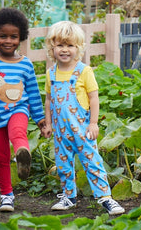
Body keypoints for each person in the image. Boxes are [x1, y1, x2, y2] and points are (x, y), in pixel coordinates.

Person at [42, 21, 125, 216]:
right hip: (61, 132)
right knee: (63, 165)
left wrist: (94, 123)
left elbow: (93, 98)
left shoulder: (84, 71)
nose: (65, 50)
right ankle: (68, 197)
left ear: (78, 48)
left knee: (92, 162)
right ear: (51, 47)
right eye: (60, 45)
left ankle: (105, 197)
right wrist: (48, 123)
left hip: (82, 129)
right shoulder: (51, 74)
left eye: (70, 45)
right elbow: (48, 100)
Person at [0, 7, 47, 212]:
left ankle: (22, 152)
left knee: (18, 132)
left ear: (21, 38)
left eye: (14, 37)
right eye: (3, 36)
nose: (8, 41)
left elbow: (32, 92)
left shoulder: (26, 64)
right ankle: (7, 195)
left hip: (18, 110)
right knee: (0, 157)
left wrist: (40, 119)